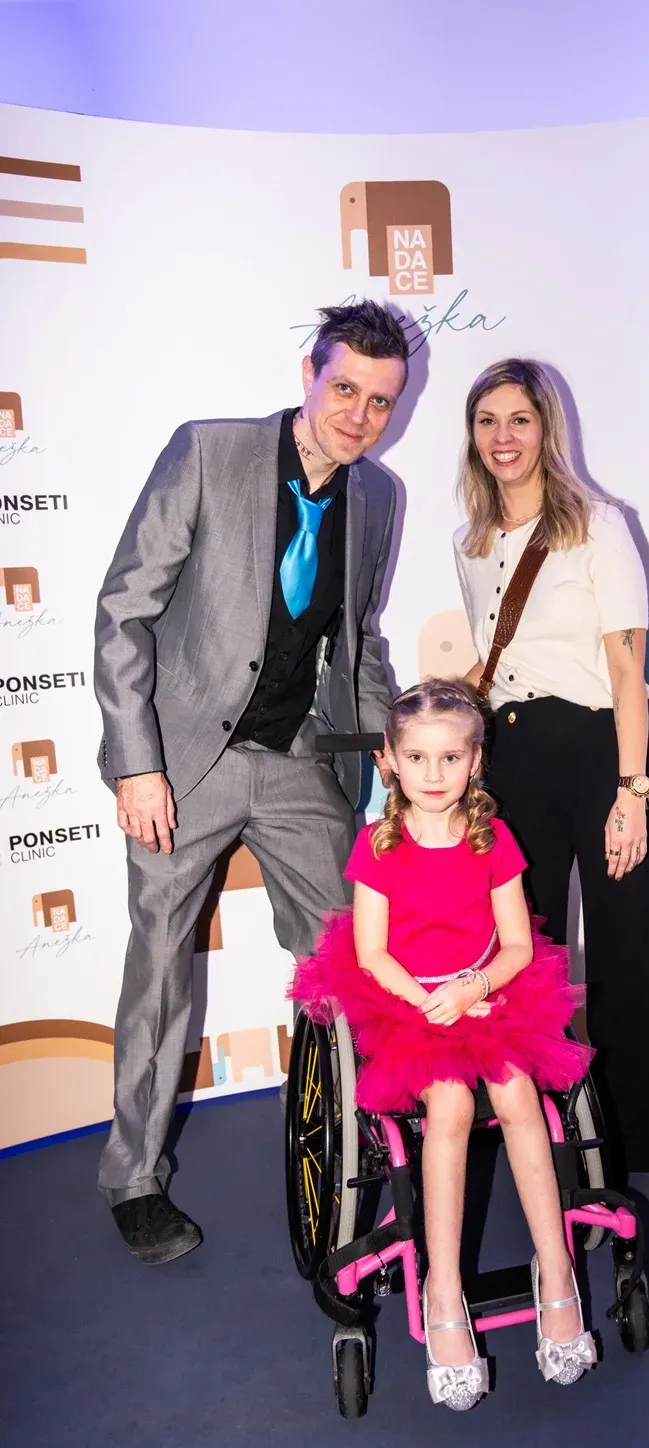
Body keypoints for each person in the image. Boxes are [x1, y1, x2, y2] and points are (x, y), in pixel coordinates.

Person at [93, 300, 409, 1265]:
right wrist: (137, 763)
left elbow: (358, 637)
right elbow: (123, 614)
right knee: (160, 967)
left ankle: (351, 1133)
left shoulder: (379, 497)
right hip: (185, 758)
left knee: (351, 952)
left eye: (381, 401)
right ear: (309, 375)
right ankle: (134, 1178)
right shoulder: (209, 453)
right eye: (344, 389)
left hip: (299, 757)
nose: (359, 415)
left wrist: (384, 739)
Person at [292, 679, 596, 1411]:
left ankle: (556, 1269)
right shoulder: (378, 846)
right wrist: (433, 1004)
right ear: (390, 760)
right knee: (452, 1103)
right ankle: (443, 1286)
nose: (434, 774)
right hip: (404, 1000)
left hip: (486, 990)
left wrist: (472, 989)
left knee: (519, 1092)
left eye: (451, 758)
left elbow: (518, 944)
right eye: (418, 758)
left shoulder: (494, 840)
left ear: (475, 761)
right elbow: (371, 954)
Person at [453, 358, 649, 1179]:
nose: (503, 437)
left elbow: (626, 671)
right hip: (514, 758)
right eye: (487, 421)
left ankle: (624, 1148)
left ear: (547, 429)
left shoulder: (597, 526)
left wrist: (633, 792)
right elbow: (496, 663)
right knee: (525, 953)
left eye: (519, 419)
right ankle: (535, 1129)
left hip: (607, 750)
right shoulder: (470, 543)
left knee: (625, 955)